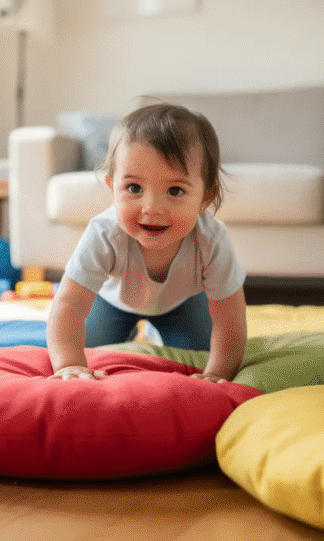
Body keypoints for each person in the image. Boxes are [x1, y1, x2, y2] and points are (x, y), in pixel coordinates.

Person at [47, 102, 247, 383]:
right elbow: (68, 305)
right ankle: (136, 331)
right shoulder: (104, 233)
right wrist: (69, 364)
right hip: (112, 301)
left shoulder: (211, 240)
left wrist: (217, 374)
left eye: (175, 190)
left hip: (184, 303)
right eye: (134, 188)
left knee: (198, 356)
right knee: (89, 351)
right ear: (112, 188)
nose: (152, 208)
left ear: (206, 197)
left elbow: (230, 320)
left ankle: (154, 331)